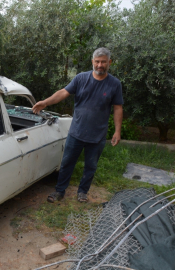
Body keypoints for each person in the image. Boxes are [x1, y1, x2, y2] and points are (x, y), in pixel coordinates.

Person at [32, 47, 123, 203]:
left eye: (103, 62)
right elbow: (63, 92)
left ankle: (82, 192)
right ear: (92, 62)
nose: (100, 65)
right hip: (76, 132)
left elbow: (118, 108)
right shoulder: (81, 78)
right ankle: (59, 191)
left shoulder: (115, 84)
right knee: (67, 163)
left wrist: (117, 131)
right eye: (97, 61)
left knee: (90, 166)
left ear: (110, 62)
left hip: (97, 135)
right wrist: (45, 102)